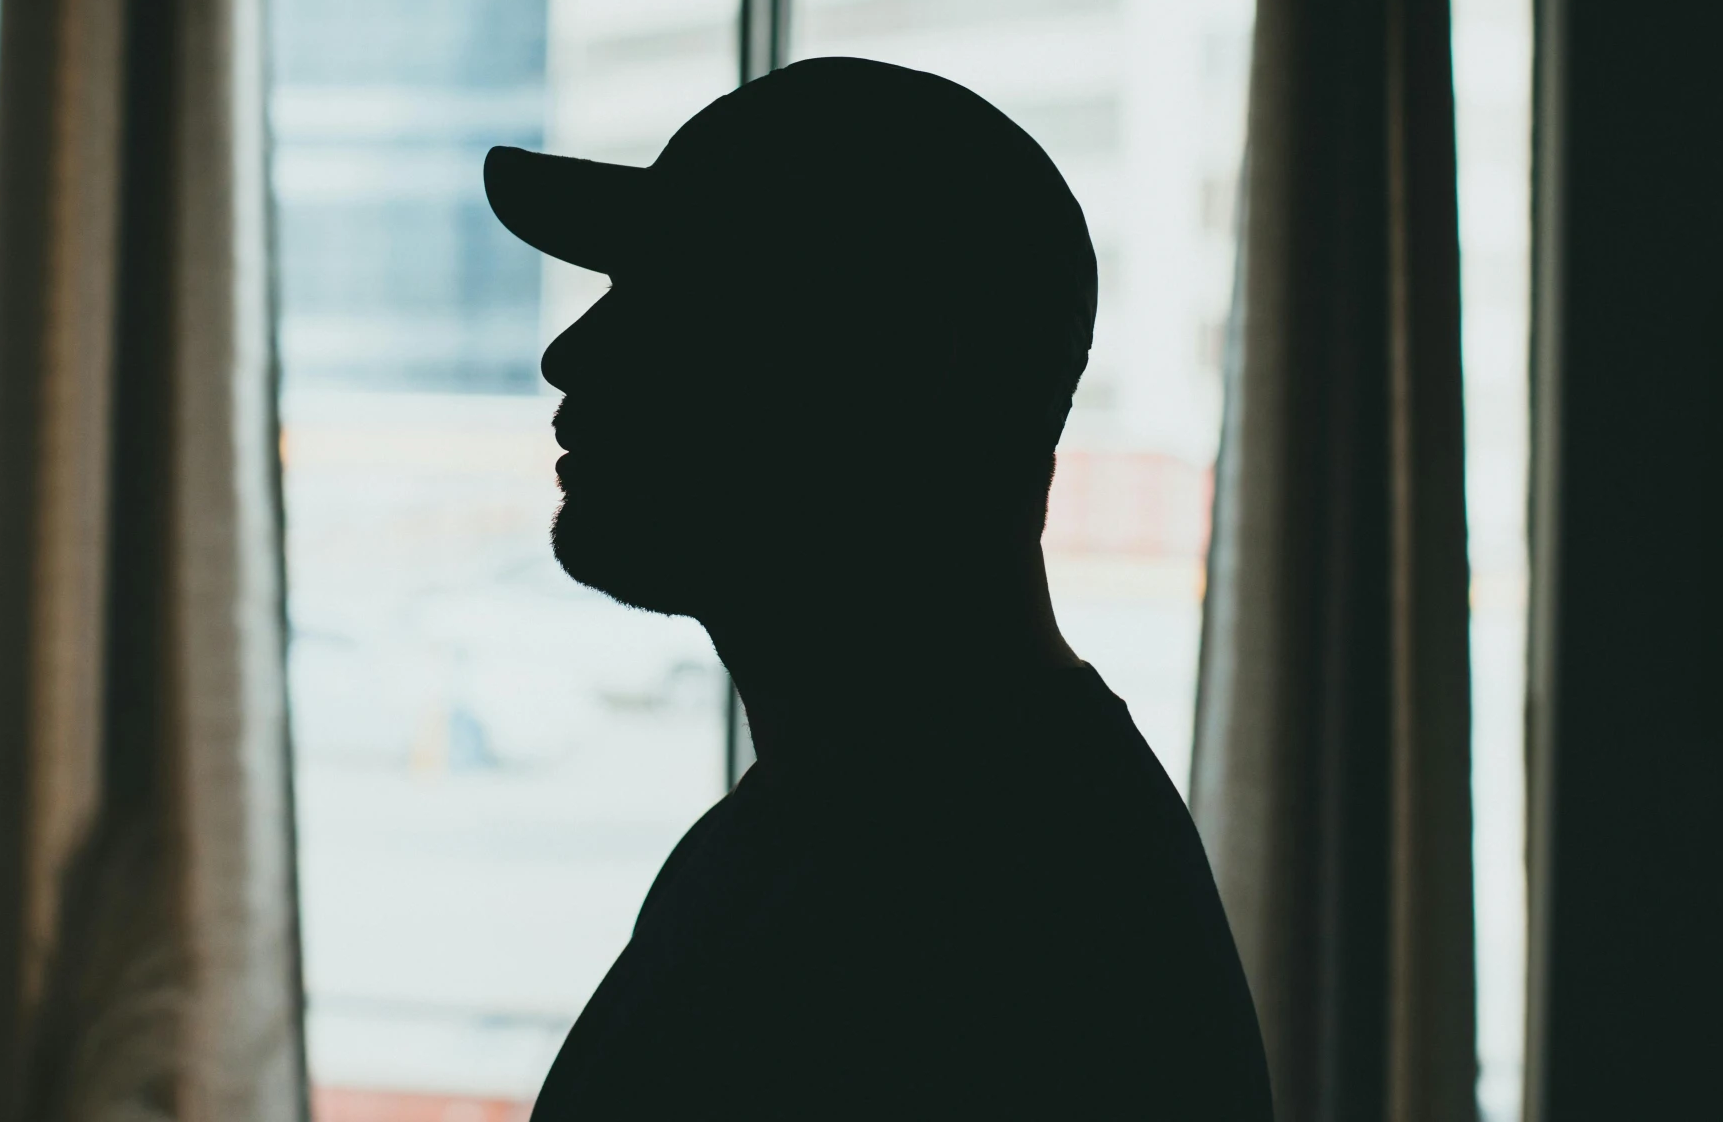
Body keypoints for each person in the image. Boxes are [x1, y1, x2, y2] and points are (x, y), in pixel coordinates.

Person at [486, 57, 1271, 1120]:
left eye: (673, 297)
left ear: (892, 363)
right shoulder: (877, 829)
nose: (569, 352)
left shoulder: (992, 926)